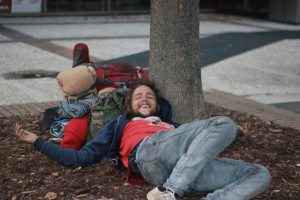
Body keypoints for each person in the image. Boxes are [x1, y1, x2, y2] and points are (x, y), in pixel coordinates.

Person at [15, 79, 271, 200]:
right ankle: (170, 191)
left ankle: (174, 190)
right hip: (149, 154)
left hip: (181, 170)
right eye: (138, 97)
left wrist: (237, 133)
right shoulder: (121, 124)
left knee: (259, 173)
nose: (144, 99)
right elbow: (79, 158)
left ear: (158, 104)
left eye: (149, 96)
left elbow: (205, 141)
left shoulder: (173, 127)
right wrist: (38, 142)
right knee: (222, 122)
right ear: (130, 106)